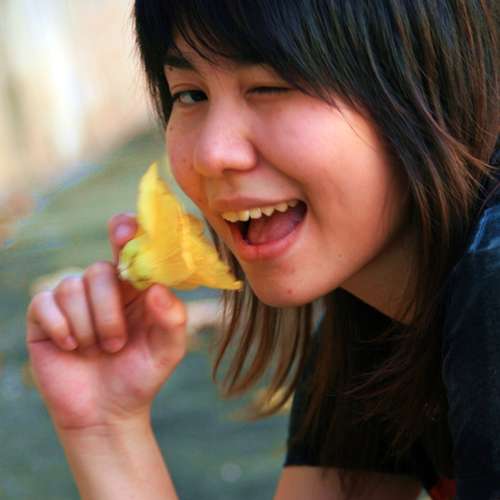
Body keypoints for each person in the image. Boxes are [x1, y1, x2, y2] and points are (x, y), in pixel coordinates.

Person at [25, 1, 499, 499]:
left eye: (270, 87)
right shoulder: (374, 318)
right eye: (190, 95)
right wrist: (105, 429)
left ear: (423, 77)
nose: (212, 154)